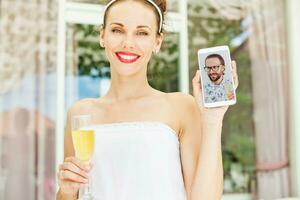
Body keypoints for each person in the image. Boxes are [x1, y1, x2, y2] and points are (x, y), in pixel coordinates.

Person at [56, 0, 238, 200]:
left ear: (157, 42)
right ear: (102, 35)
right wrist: (66, 192)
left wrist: (213, 120)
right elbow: (75, 192)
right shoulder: (80, 113)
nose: (128, 43)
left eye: (142, 33)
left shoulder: (181, 107)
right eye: (117, 30)